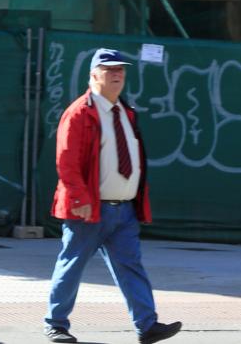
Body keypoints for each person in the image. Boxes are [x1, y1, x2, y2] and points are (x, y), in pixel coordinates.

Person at [44, 48, 181, 344]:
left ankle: (147, 325)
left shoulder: (125, 112)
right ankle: (55, 324)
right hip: (88, 210)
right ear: (94, 75)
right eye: (109, 70)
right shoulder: (80, 112)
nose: (116, 74)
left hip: (124, 211)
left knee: (131, 266)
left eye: (120, 70)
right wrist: (79, 199)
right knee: (72, 265)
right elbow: (66, 161)